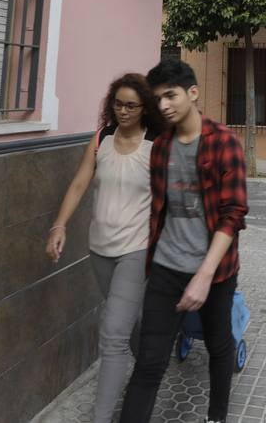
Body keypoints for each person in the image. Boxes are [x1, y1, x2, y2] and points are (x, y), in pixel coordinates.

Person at [120, 58, 248, 423]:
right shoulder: (160, 147)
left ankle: (216, 417)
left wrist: (204, 275)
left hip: (216, 271)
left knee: (220, 344)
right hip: (166, 267)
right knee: (149, 361)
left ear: (193, 93)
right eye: (158, 98)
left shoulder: (224, 141)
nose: (163, 105)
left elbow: (233, 213)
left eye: (171, 95)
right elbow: (159, 211)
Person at [46, 74, 163, 423]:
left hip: (136, 249)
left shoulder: (156, 145)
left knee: (112, 334)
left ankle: (101, 417)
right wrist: (59, 224)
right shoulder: (101, 139)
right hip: (99, 249)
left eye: (131, 105)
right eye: (118, 104)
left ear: (144, 109)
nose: (123, 111)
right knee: (130, 321)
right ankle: (149, 366)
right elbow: (81, 181)